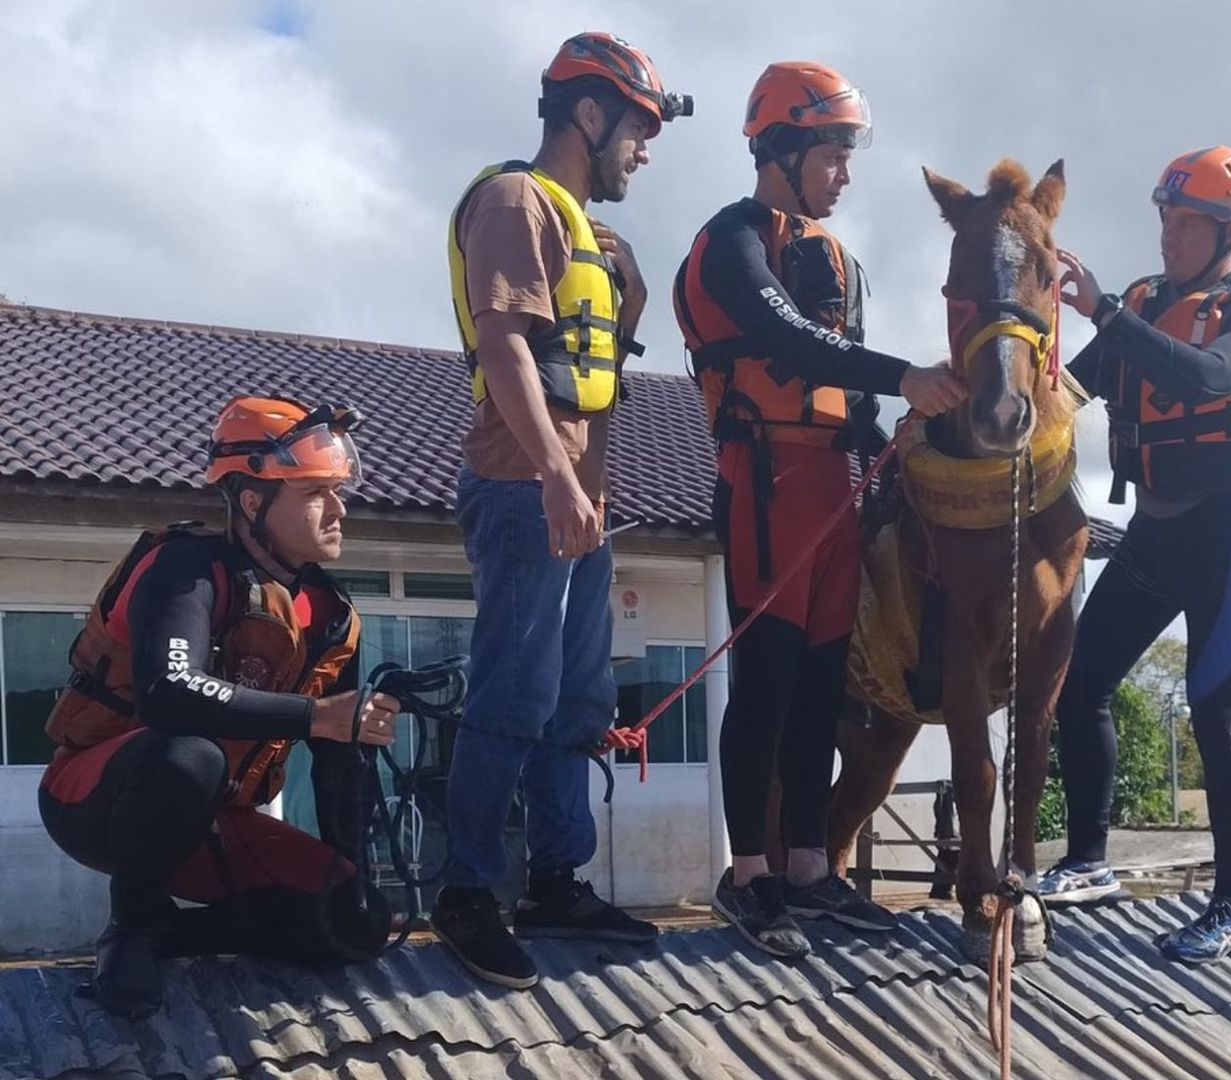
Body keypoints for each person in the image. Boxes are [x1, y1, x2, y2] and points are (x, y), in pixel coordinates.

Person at [673, 61, 966, 959]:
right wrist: (902, 373)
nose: (843, 173)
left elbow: (848, 387)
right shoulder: (732, 240)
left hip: (834, 485)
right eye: (833, 154)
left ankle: (809, 870)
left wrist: (891, 456)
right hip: (764, 481)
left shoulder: (839, 259)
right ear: (785, 146)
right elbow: (782, 337)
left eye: (846, 155)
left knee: (817, 686)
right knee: (763, 680)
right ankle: (748, 874)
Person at [435, 31, 691, 988]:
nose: (644, 148)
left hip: (581, 499)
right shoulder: (513, 201)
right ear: (589, 114)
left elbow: (589, 370)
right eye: (638, 127)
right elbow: (503, 347)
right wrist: (552, 475)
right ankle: (466, 894)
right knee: (514, 694)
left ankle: (554, 880)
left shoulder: (584, 229)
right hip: (521, 488)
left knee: (577, 700)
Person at [37, 396, 397, 1019]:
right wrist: (314, 716)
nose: (340, 510)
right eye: (316, 493)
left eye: (338, 491)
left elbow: (343, 762)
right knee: (187, 753)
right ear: (253, 501)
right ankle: (133, 928)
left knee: (354, 922)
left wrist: (353, 877)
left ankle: (173, 938)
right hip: (97, 796)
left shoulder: (335, 616)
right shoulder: (187, 567)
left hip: (213, 819)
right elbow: (167, 693)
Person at [1046, 146, 1231, 963]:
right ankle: (1089, 861)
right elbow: (1071, 389)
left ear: (1230, 229)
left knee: (1215, 716)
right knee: (1080, 682)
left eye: (1187, 220)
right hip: (1159, 528)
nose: (1168, 234)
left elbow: (1211, 376)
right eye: (1163, 217)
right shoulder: (1146, 303)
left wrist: (1106, 314)